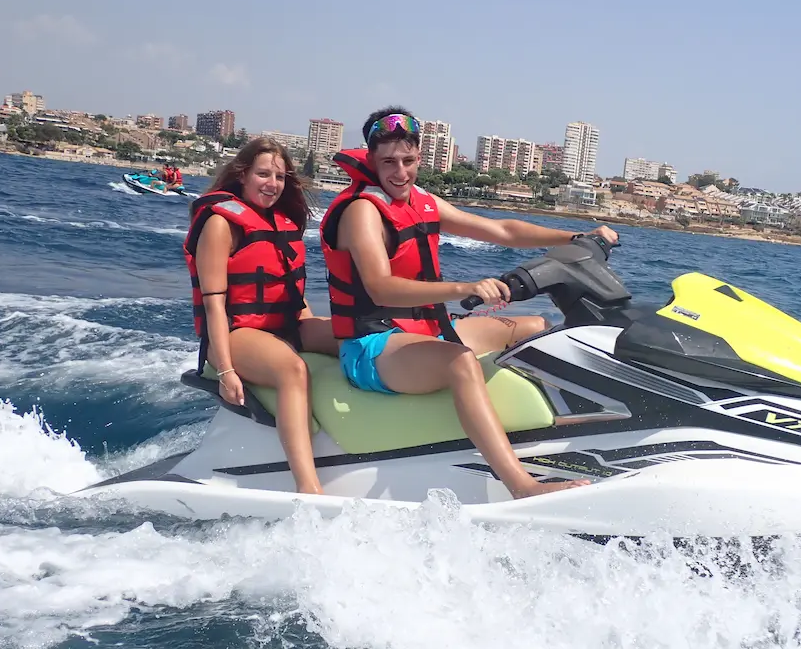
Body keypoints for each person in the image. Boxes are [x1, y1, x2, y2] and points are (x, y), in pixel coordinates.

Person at [319, 106, 620, 499]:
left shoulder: (421, 201)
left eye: (408, 161)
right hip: (373, 346)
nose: (399, 172)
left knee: (536, 329)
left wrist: (575, 238)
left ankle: (564, 439)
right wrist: (464, 288)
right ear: (372, 160)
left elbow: (501, 230)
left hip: (423, 330)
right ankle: (521, 485)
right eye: (388, 162)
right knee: (460, 362)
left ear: (420, 159)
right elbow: (381, 289)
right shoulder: (362, 211)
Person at [183, 137, 339, 494]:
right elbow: (214, 306)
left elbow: (291, 294)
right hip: (234, 332)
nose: (272, 184)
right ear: (243, 175)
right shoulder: (221, 225)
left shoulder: (282, 222)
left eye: (280, 177)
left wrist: (319, 331)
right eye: (263, 174)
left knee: (353, 335)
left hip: (284, 325)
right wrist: (224, 371)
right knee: (293, 370)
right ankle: (308, 487)